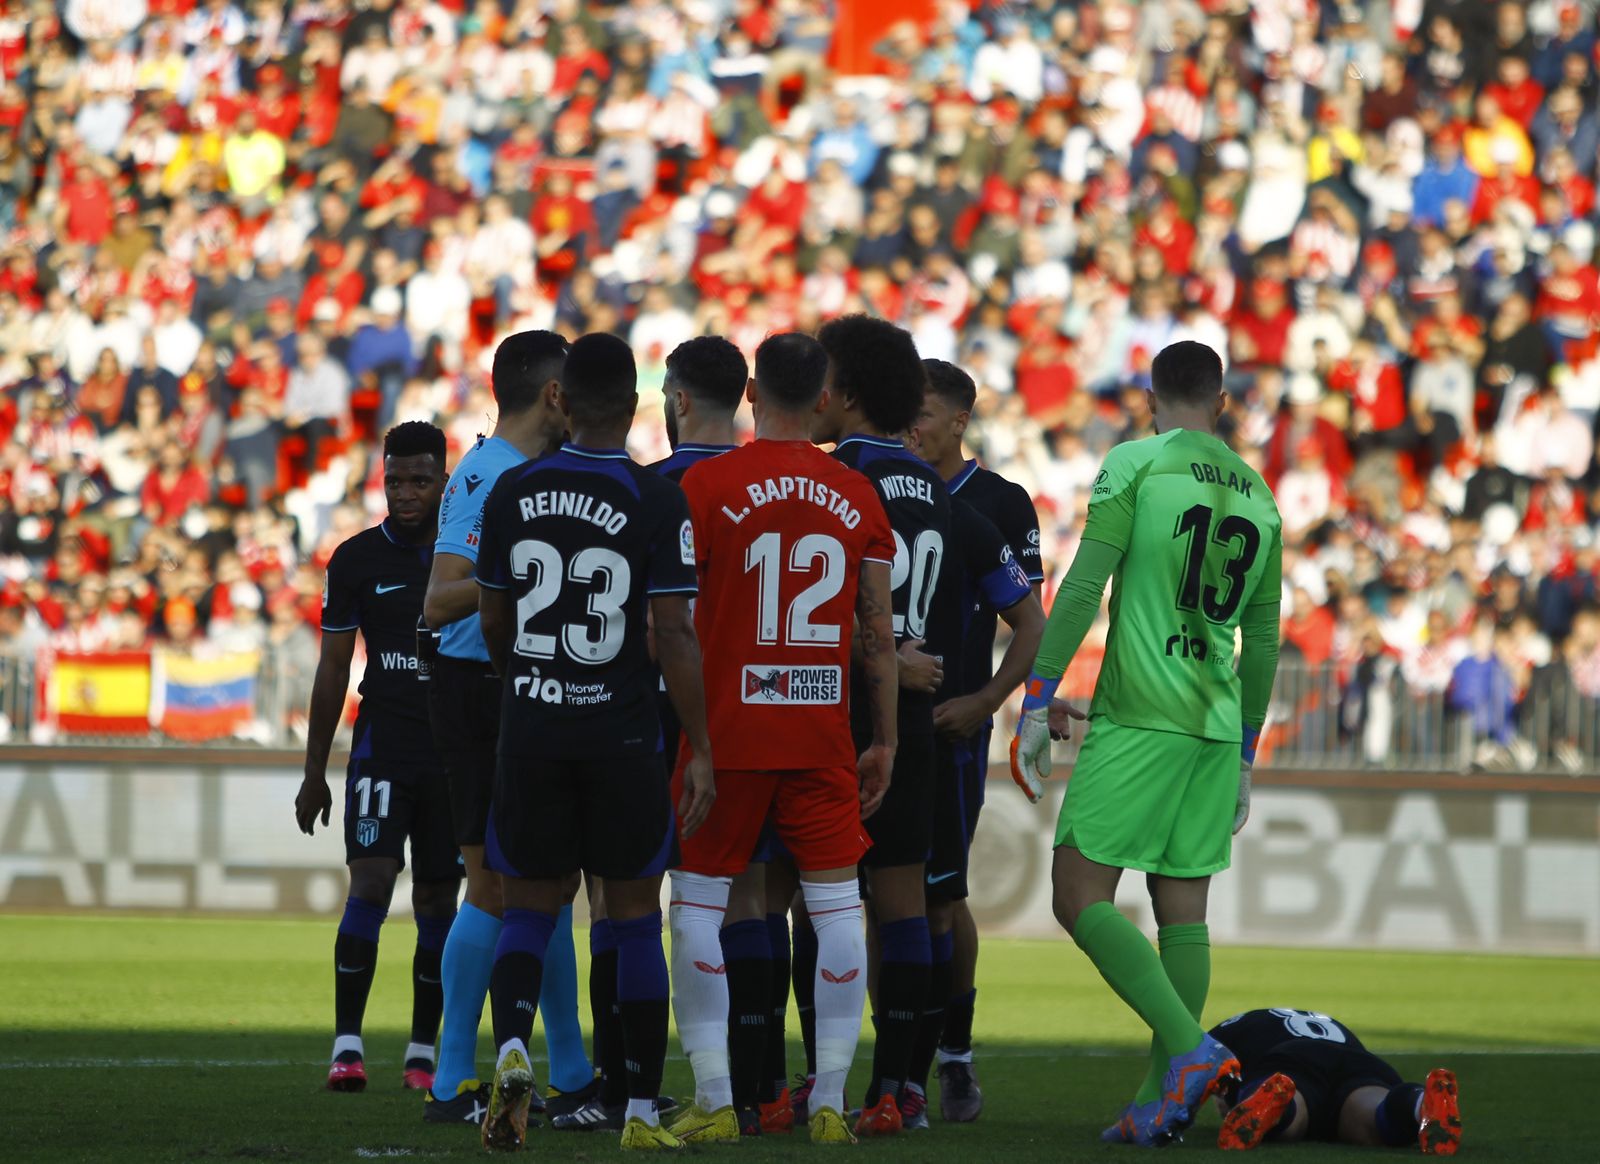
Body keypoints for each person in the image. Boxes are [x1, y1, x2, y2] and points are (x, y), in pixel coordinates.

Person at [1011, 340, 1284, 1146]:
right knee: (1182, 915)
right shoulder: (1262, 495)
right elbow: (1262, 642)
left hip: (1141, 717)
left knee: (1077, 896)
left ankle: (1193, 1057)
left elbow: (1087, 584)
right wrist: (1245, 751)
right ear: (1223, 401)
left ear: (1150, 394)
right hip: (1213, 724)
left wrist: (1037, 696)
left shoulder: (1138, 463)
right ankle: (1156, 1101)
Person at [474, 332, 716, 1153]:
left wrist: (527, 681)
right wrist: (705, 748)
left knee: (529, 911)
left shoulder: (512, 492)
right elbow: (675, 633)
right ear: (640, 407)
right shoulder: (656, 501)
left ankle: (512, 1051)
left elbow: (495, 620)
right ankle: (643, 1113)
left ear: (563, 403)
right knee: (635, 916)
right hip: (619, 735)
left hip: (534, 728)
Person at [664, 331, 899, 1146]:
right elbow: (878, 630)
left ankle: (716, 1098)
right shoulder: (856, 494)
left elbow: (679, 623)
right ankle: (830, 1100)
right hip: (819, 731)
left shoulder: (705, 482)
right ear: (825, 396)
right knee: (837, 909)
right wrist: (888, 742)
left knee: (696, 907)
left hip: (726, 736)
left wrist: (695, 741)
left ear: (755, 393)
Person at [557, 333, 748, 1134]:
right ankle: (754, 1087)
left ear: (675, 401)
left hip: (641, 718)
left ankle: (617, 1083)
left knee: (616, 903)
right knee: (752, 900)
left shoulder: (651, 487)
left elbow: (654, 627)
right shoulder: (767, 484)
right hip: (748, 717)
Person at [419, 330, 594, 1124]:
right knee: (495, 885)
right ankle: (453, 1079)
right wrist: (525, 579)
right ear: (553, 396)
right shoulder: (489, 475)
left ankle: (574, 1071)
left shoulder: (518, 470)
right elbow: (441, 595)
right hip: (476, 688)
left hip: (516, 684)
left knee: (546, 883)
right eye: (574, 394)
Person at [293, 421, 461, 1093]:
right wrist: (313, 771)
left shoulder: (465, 557)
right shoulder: (356, 558)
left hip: (451, 755)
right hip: (382, 750)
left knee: (438, 903)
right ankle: (347, 1047)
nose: (405, 492)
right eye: (394, 480)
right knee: (368, 884)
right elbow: (334, 668)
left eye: (420, 480)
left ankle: (422, 1051)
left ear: (444, 482)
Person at [909, 359, 1048, 1123]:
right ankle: (898, 1068)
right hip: (875, 726)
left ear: (960, 421)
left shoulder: (998, 502)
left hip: (951, 733)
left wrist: (990, 700)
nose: (912, 427)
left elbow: (1031, 620)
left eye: (924, 413)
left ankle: (953, 1055)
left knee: (940, 901)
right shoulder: (880, 485)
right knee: (871, 900)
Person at [1211, 1008, 1461, 1156]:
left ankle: (1274, 1107)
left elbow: (1194, 1067)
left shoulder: (1236, 1026)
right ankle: (1417, 1105)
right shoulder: (1323, 1021)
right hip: (1358, 1063)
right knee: (1372, 1114)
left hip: (1291, 1060)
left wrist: (1227, 1095)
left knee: (1291, 1110)